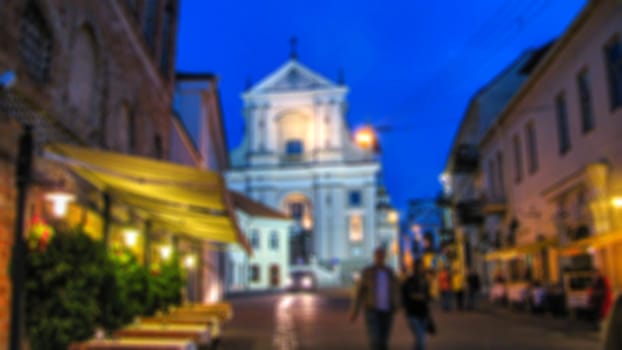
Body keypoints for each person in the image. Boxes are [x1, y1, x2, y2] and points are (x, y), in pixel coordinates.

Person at [350, 247, 400, 350]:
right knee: (374, 339)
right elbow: (359, 293)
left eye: (382, 256)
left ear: (384, 257)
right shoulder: (368, 272)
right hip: (372, 310)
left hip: (387, 311)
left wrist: (396, 304)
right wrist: (354, 311)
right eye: (378, 256)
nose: (380, 258)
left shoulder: (389, 272)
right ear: (375, 257)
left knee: (384, 340)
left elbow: (396, 290)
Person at [401, 259, 431, 350]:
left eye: (422, 267)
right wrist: (416, 297)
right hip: (413, 313)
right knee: (420, 338)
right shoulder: (409, 281)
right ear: (415, 268)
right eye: (419, 267)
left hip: (423, 313)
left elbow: (427, 296)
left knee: (421, 340)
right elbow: (405, 295)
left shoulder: (425, 281)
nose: (421, 269)